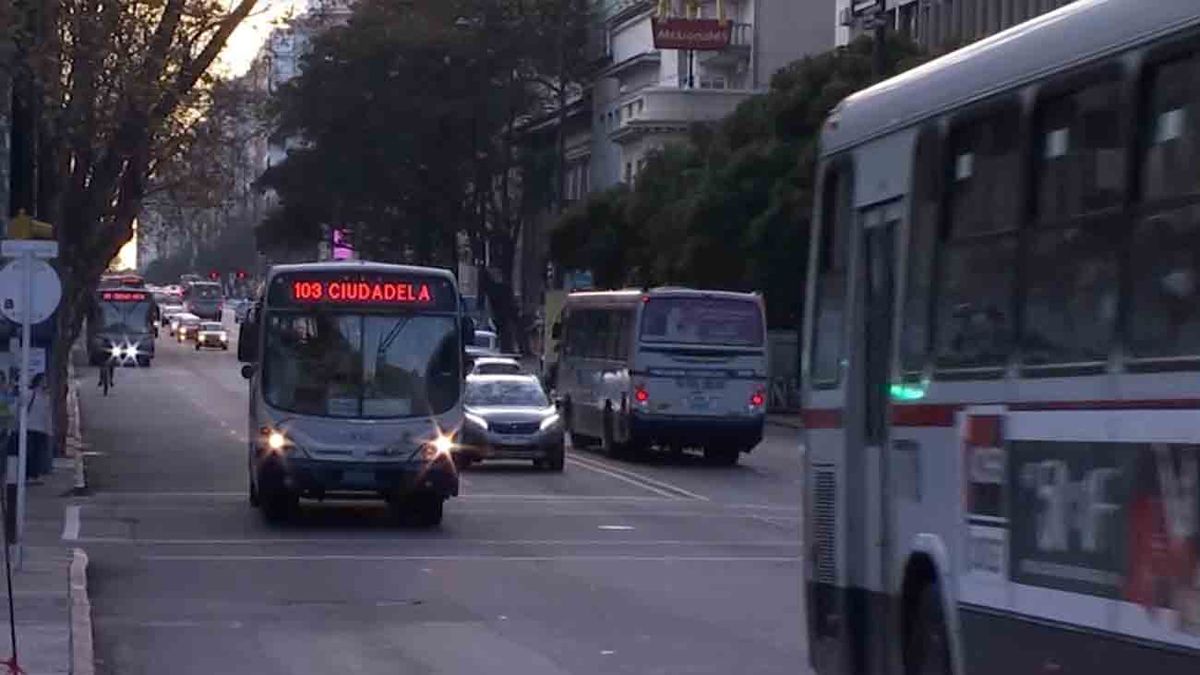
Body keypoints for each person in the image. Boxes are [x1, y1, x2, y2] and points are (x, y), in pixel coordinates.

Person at [26, 373, 52, 481]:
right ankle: (28, 475)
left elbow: (47, 414)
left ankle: (35, 475)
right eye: (43, 380)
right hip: (30, 427)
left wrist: (49, 430)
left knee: (38, 453)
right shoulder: (30, 394)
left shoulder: (45, 396)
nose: (45, 382)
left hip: (41, 429)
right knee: (30, 452)